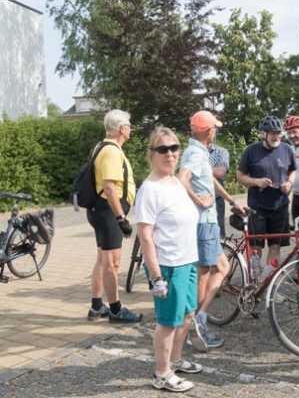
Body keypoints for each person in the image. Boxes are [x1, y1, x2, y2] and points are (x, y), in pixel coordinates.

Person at [135, 127, 202, 393]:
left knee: (186, 315)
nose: (170, 154)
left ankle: (174, 361)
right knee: (168, 322)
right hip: (168, 266)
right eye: (163, 149)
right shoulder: (149, 190)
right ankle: (162, 373)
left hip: (187, 261)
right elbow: (145, 236)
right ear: (151, 154)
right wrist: (156, 276)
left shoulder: (174, 182)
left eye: (174, 148)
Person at [179, 110, 245, 351]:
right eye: (214, 127)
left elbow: (211, 181)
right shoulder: (195, 154)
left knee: (222, 267)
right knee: (204, 273)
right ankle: (197, 325)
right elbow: (182, 179)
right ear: (208, 130)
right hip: (203, 223)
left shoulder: (200, 152)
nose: (216, 130)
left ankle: (199, 319)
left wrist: (231, 200)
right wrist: (199, 200)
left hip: (208, 222)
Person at [86, 109, 142, 324]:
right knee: (112, 263)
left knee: (102, 259)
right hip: (108, 211)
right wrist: (121, 218)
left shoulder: (103, 147)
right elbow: (109, 188)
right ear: (121, 129)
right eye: (129, 125)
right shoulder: (111, 151)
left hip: (102, 211)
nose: (130, 129)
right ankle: (116, 310)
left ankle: (97, 306)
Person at [236, 115, 296, 266]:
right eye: (272, 133)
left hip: (280, 206)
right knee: (256, 247)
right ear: (264, 134)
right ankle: (255, 281)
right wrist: (256, 182)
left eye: (278, 133)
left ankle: (270, 280)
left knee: (275, 246)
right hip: (258, 207)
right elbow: (240, 176)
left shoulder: (287, 149)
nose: (276, 136)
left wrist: (289, 183)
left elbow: (293, 171)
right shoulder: (251, 151)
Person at [208, 138, 230, 239]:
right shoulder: (192, 152)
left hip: (216, 199)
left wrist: (199, 167)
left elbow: (220, 172)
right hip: (196, 199)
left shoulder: (221, 152)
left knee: (219, 234)